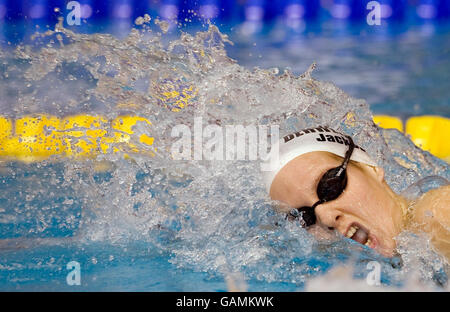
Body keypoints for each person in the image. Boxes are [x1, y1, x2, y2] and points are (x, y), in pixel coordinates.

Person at [263, 126, 450, 261]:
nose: (325, 217)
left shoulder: (435, 214)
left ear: (371, 168)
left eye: (330, 186)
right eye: (305, 217)